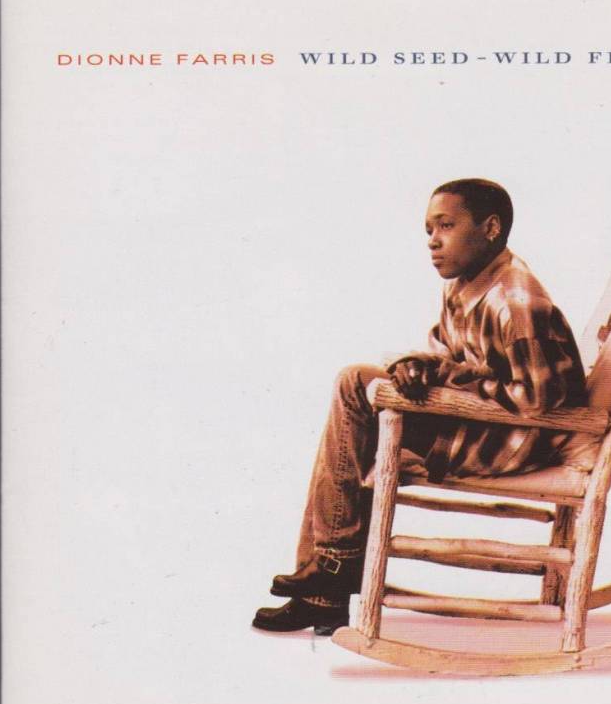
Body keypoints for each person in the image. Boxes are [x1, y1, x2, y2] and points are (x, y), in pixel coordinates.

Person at [252, 178, 588, 635]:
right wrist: (420, 367)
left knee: (355, 388)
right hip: (481, 424)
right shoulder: (465, 284)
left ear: (490, 228)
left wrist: (447, 378)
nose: (433, 240)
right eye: (429, 229)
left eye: (446, 226)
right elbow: (447, 352)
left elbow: (535, 400)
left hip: (514, 440)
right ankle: (326, 585)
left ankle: (332, 572)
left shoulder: (515, 299)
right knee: (356, 405)